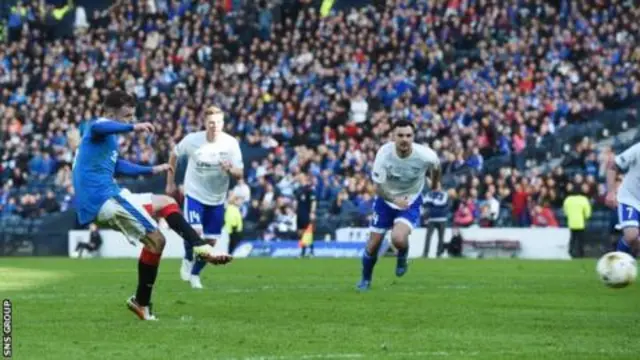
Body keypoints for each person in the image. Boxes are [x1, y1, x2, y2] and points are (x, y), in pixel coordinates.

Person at [72, 90, 230, 321]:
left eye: (131, 116)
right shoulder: (96, 127)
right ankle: (198, 250)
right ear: (110, 112)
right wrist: (133, 127)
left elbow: (118, 166)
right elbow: (101, 127)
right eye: (126, 116)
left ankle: (145, 299)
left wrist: (152, 170)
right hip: (104, 199)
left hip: (112, 194)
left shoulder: (108, 139)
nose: (128, 120)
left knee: (167, 203)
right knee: (158, 240)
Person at [166, 105, 244, 289]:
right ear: (204, 123)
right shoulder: (192, 140)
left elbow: (240, 173)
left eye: (218, 122)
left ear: (223, 123)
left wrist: (230, 169)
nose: (214, 126)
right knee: (195, 233)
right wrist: (170, 183)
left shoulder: (231, 143)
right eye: (211, 122)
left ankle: (195, 275)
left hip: (217, 199)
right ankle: (187, 256)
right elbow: (173, 155)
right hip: (194, 195)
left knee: (210, 242)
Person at [357, 120, 441, 291]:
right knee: (373, 245)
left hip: (410, 201)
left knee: (398, 238)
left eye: (408, 135)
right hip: (386, 201)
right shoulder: (384, 154)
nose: (404, 139)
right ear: (393, 137)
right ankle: (365, 279)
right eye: (400, 135)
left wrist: (434, 184)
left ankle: (402, 253)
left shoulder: (425, 155)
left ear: (413, 137)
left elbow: (437, 166)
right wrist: (394, 200)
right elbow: (378, 187)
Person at [605, 144, 640, 258]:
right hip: (630, 198)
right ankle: (616, 262)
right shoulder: (638, 149)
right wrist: (611, 192)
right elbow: (612, 166)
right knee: (631, 235)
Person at [563, 185, 592, 258]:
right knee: (580, 239)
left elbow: (565, 211)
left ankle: (570, 252)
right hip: (580, 222)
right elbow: (588, 212)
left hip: (571, 222)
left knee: (572, 238)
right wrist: (586, 217)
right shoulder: (583, 199)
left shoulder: (568, 199)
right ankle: (580, 253)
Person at [423, 185, 449, 257]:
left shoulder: (444, 194)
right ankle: (425, 253)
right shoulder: (429, 194)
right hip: (431, 219)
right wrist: (433, 202)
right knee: (428, 237)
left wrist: (432, 201)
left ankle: (439, 253)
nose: (437, 187)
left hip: (442, 218)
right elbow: (425, 202)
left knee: (441, 237)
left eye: (438, 186)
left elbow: (441, 202)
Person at [295, 173, 317, 258]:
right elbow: (297, 201)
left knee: (307, 232)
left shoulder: (309, 189)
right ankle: (303, 252)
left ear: (304, 178)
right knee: (300, 233)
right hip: (299, 213)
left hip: (306, 213)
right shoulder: (298, 189)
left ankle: (311, 251)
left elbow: (313, 201)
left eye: (301, 176)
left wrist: (312, 212)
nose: (299, 178)